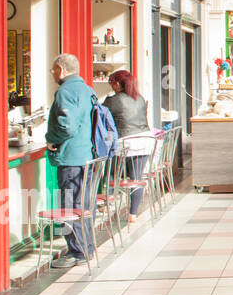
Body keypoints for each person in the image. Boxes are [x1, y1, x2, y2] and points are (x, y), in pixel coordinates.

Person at [44, 54, 98, 269]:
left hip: (71, 157)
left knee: (70, 205)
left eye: (53, 70)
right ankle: (87, 247)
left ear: (61, 69)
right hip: (89, 156)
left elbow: (67, 126)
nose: (52, 74)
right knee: (85, 204)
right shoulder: (87, 90)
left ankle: (76, 251)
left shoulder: (65, 91)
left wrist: (51, 139)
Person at [103, 70, 153, 221]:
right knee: (136, 178)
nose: (112, 87)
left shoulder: (114, 100)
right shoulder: (140, 98)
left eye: (111, 84)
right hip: (145, 140)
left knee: (110, 173)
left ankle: (107, 203)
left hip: (125, 143)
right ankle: (132, 214)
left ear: (117, 84)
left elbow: (100, 114)